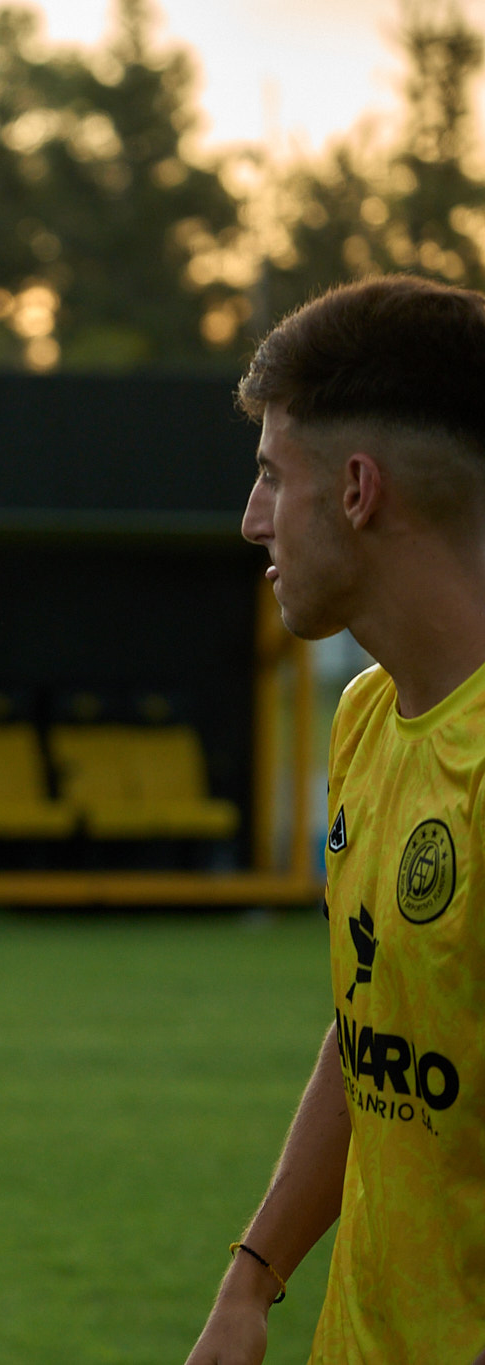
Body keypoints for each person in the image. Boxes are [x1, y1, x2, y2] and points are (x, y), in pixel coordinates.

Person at [184, 275, 485, 1364]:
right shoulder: (364, 715)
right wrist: (251, 1279)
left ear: (355, 489)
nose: (251, 519)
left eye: (271, 476)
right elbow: (377, 1027)